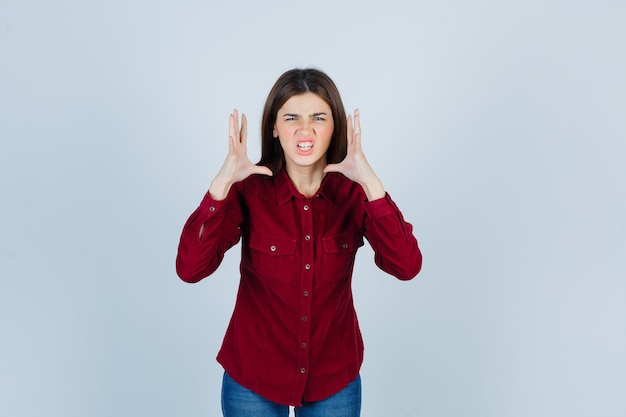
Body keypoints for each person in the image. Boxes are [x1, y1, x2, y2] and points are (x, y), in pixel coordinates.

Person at [176, 68, 422, 417]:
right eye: (291, 117)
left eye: (318, 117)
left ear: (334, 126)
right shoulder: (249, 190)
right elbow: (190, 268)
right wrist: (221, 185)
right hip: (254, 376)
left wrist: (370, 180)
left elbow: (407, 265)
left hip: (332, 378)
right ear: (275, 128)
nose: (304, 129)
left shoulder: (355, 194)